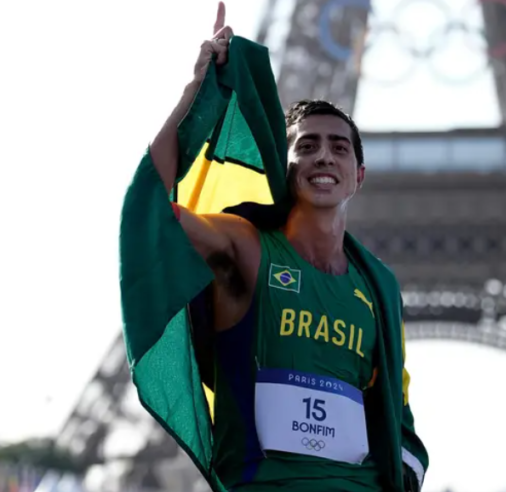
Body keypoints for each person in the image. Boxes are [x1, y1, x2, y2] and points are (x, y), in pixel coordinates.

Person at [147, 3, 428, 491]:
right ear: (286, 165)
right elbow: (156, 210)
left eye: (339, 147)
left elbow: (392, 406)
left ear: (358, 177)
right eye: (307, 145)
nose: (323, 155)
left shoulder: (378, 287)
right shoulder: (248, 249)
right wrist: (197, 96)